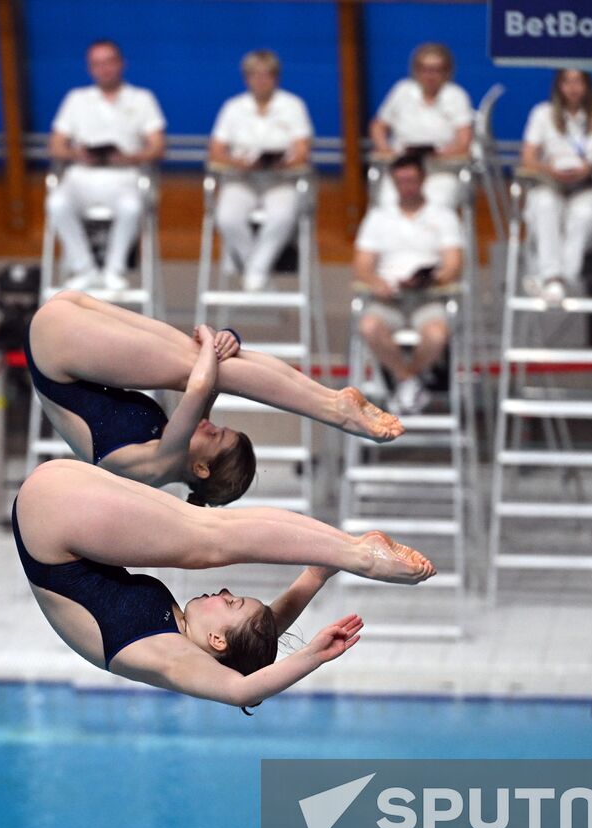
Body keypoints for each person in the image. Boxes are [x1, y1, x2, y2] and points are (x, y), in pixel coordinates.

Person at [12, 459, 435, 709]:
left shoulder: (170, 657)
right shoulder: (191, 636)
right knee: (209, 529)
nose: (227, 593)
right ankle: (343, 551)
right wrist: (314, 575)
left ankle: (356, 553)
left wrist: (312, 656)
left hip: (51, 518)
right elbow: (257, 632)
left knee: (211, 539)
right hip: (55, 507)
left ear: (215, 639)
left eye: (231, 604)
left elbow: (241, 691)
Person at [27, 291, 404, 505]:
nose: (210, 425)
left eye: (216, 436)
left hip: (56, 346)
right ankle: (332, 402)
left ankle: (333, 409)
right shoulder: (181, 451)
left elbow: (200, 385)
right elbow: (211, 384)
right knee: (213, 361)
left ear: (202, 469)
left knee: (204, 364)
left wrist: (211, 340)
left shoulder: (158, 465)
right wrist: (229, 339)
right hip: (66, 317)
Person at [46, 39, 166, 291]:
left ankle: (115, 269)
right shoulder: (76, 99)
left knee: (132, 206)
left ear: (121, 63)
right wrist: (77, 153)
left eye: (109, 62)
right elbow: (55, 145)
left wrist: (129, 157)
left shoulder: (142, 98)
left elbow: (157, 146)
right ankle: (84, 268)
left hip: (124, 175)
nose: (105, 69)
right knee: (56, 202)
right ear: (90, 68)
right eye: (97, 64)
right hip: (82, 174)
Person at [353, 155, 464, 414]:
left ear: (423, 179)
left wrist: (432, 278)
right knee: (368, 326)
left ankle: (407, 380)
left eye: (411, 180)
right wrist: (376, 282)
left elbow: (454, 264)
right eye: (400, 181)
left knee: (437, 334)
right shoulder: (378, 218)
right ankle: (408, 380)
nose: (407, 186)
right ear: (393, 182)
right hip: (388, 298)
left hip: (428, 296)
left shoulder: (444, 217)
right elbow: (361, 266)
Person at [208, 49, 314, 292]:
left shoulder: (292, 105)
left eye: (266, 75)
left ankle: (255, 271)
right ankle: (255, 271)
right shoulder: (233, 107)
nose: (260, 81)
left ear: (276, 77)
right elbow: (216, 150)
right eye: (255, 75)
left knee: (283, 216)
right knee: (227, 216)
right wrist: (237, 162)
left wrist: (285, 162)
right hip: (241, 178)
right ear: (246, 78)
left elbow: (302, 149)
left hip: (280, 178)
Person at [519, 69, 592, 308]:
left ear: (587, 85)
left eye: (579, 81)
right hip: (550, 184)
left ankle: (560, 279)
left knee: (583, 215)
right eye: (567, 81)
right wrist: (548, 168)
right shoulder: (542, 114)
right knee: (545, 206)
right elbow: (527, 158)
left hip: (587, 186)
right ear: (558, 85)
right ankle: (552, 276)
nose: (573, 87)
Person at [369, 42, 474, 211]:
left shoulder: (456, 96)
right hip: (403, 169)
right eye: (424, 69)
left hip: (440, 171)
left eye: (436, 70)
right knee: (387, 202)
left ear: (447, 72)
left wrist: (440, 154)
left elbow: (464, 140)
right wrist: (384, 148)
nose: (430, 75)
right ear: (416, 70)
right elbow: (378, 126)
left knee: (437, 204)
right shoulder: (402, 91)